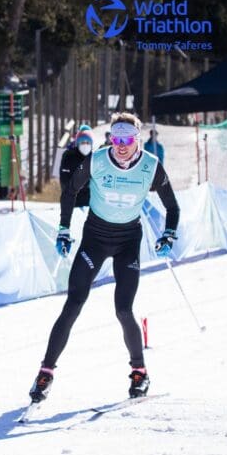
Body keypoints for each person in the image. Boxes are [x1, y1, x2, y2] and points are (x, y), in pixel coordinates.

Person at [28, 112, 180, 403]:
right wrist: (63, 229)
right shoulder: (97, 160)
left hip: (127, 243)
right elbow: (70, 191)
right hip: (95, 240)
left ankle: (140, 372)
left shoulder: (150, 166)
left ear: (138, 140)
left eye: (128, 139)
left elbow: (173, 207)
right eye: (116, 138)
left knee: (123, 310)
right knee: (73, 304)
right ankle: (45, 372)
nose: (121, 145)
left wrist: (168, 233)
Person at [59, 125, 93, 208]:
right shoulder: (68, 155)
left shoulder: (93, 157)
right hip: (72, 202)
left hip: (89, 203)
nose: (85, 145)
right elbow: (64, 179)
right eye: (82, 142)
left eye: (88, 142)